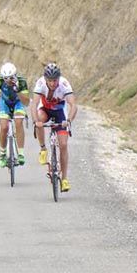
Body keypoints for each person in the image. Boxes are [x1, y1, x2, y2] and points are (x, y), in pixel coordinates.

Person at [32, 62, 77, 192]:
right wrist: (36, 122)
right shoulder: (40, 83)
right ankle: (43, 149)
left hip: (60, 114)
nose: (52, 83)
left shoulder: (64, 84)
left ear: (59, 78)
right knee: (40, 119)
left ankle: (64, 179)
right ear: (45, 79)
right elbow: (34, 104)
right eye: (50, 80)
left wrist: (68, 120)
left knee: (63, 145)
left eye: (55, 80)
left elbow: (73, 105)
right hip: (45, 110)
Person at [0, 62, 29, 166]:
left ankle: (20, 153)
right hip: (5, 103)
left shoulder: (22, 82)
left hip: (18, 103)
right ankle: (2, 153)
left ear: (15, 75)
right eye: (5, 78)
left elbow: (26, 102)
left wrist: (18, 90)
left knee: (18, 121)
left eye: (10, 78)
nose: (8, 81)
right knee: (4, 127)